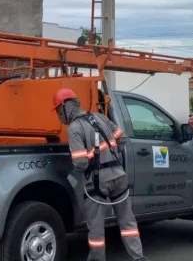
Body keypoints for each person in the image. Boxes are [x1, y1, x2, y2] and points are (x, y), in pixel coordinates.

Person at [53, 88, 148, 261]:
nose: (59, 115)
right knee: (128, 222)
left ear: (66, 108)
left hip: (98, 183)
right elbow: (122, 138)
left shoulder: (74, 128)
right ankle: (138, 257)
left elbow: (80, 163)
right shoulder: (100, 117)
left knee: (96, 229)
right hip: (119, 176)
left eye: (59, 111)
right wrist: (109, 155)